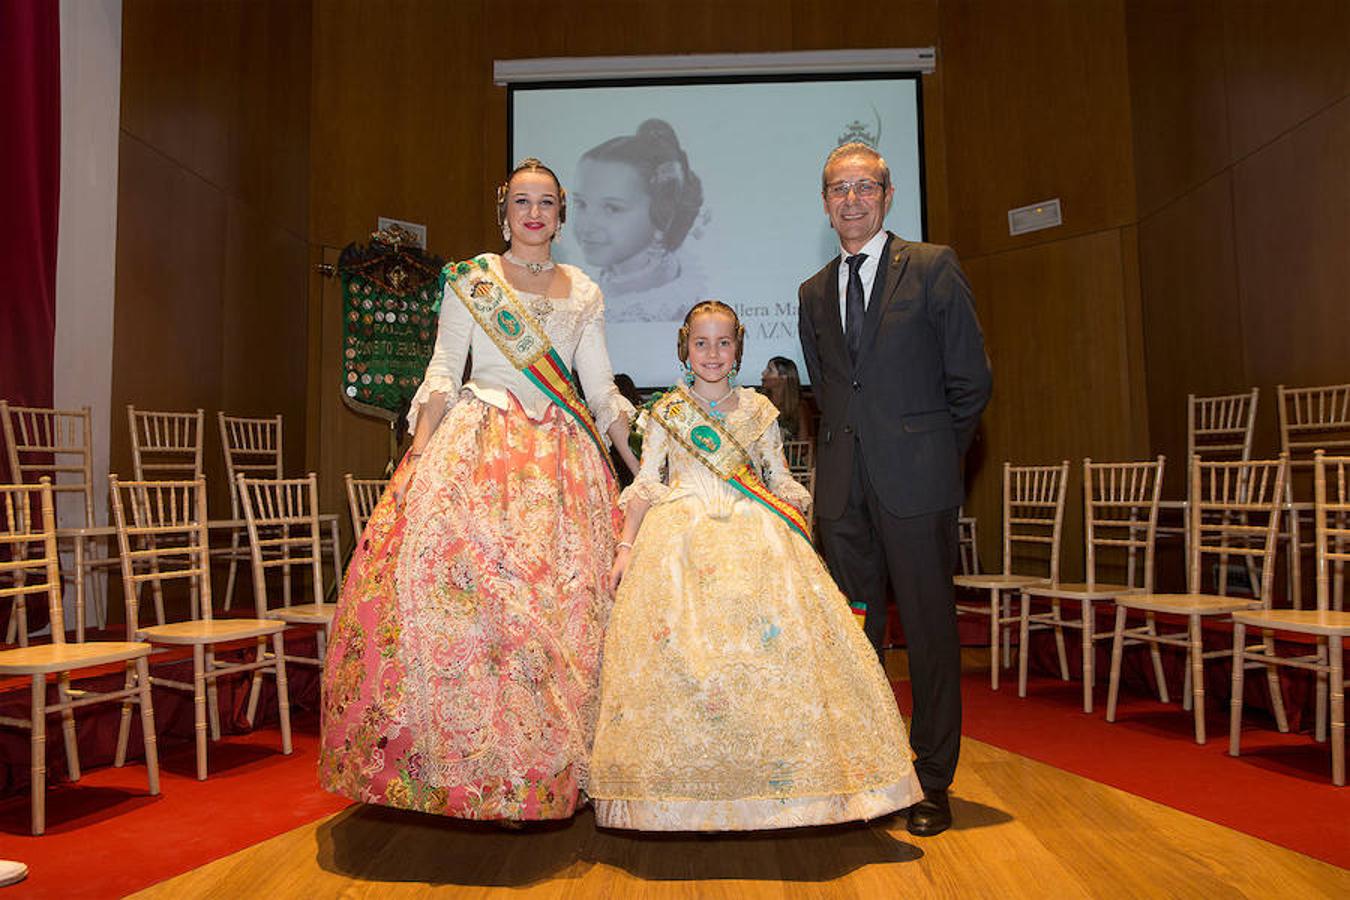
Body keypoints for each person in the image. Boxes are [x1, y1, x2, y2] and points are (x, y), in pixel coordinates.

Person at [319, 158, 639, 822]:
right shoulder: (472, 281)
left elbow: (601, 388)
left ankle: (550, 775)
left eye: (546, 202)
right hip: (479, 449)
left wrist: (638, 469)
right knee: (472, 610)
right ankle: (474, 775)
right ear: (504, 212)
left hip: (560, 463)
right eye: (521, 201)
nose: (533, 213)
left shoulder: (582, 290)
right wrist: (417, 453)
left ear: (561, 214)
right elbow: (442, 369)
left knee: (561, 612)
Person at [587, 301, 922, 831]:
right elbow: (648, 483)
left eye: (723, 343)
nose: (713, 354)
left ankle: (785, 790)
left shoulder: (759, 411)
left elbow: (776, 474)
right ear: (685, 346)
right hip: (680, 537)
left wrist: (801, 500)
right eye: (702, 343)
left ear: (738, 348)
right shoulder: (664, 411)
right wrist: (627, 547)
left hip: (751, 526)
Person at [797, 142, 992, 837]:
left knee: (932, 637)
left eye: (864, 187)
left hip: (918, 489)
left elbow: (971, 381)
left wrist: (934, 459)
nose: (851, 199)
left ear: (887, 194)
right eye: (838, 189)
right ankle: (874, 776)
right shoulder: (812, 291)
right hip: (844, 496)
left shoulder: (934, 268)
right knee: (857, 638)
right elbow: (828, 390)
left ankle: (932, 781)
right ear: (824, 203)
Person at [572, 119, 706, 322]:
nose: (587, 225)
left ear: (662, 212)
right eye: (581, 204)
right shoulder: (580, 289)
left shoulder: (675, 305)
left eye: (612, 208)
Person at [760, 355, 815, 444]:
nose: (763, 373)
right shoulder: (758, 403)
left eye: (770, 370)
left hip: (788, 456)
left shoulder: (799, 407)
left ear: (783, 378)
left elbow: (804, 444)